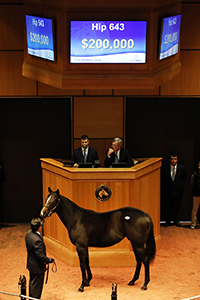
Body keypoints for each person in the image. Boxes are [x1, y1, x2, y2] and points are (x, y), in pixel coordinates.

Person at [25, 218, 55, 299]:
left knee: (32, 283)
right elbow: (40, 256)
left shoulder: (28, 234)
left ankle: (31, 297)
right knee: (37, 287)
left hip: (31, 264)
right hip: (37, 267)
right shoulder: (37, 240)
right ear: (39, 227)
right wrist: (49, 260)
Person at [161, 153, 187, 227]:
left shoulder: (182, 168)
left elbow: (184, 177)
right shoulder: (165, 169)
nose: (173, 161)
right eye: (172, 159)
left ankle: (176, 220)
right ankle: (167, 221)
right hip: (168, 191)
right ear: (170, 160)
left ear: (177, 160)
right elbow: (163, 179)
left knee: (177, 206)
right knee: (167, 206)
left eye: (175, 159)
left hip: (178, 191)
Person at [190, 161, 200, 229]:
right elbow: (191, 184)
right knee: (195, 210)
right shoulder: (195, 174)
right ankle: (193, 223)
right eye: (199, 165)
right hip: (196, 194)